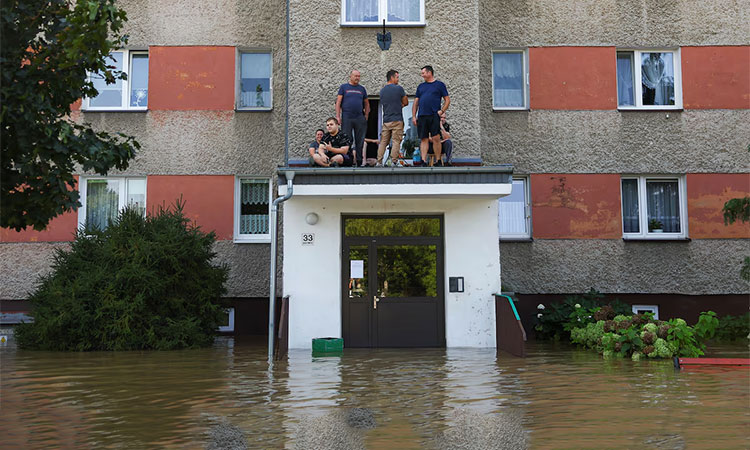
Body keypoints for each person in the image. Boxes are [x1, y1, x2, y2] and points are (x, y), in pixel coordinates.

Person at [412, 65, 450, 167]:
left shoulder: (440, 85)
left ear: (429, 73)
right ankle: (423, 161)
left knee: (436, 137)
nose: (422, 75)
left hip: (434, 115)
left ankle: (438, 161)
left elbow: (447, 100)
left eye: (423, 73)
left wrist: (442, 111)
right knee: (423, 138)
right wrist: (414, 116)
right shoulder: (421, 87)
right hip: (422, 115)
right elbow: (416, 103)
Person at [335, 70, 369, 167]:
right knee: (347, 139)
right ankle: (348, 161)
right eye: (355, 76)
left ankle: (359, 161)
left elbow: (366, 103)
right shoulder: (344, 87)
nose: (357, 78)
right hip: (347, 117)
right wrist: (338, 116)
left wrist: (366, 115)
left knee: (360, 140)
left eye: (359, 76)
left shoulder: (362, 89)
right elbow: (338, 102)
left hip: (359, 117)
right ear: (350, 76)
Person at [377, 69, 408, 167]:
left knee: (383, 142)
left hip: (386, 120)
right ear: (392, 77)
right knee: (396, 141)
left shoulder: (382, 91)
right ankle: (394, 161)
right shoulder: (399, 89)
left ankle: (379, 162)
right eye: (397, 77)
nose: (398, 79)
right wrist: (400, 105)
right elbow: (406, 102)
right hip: (397, 119)